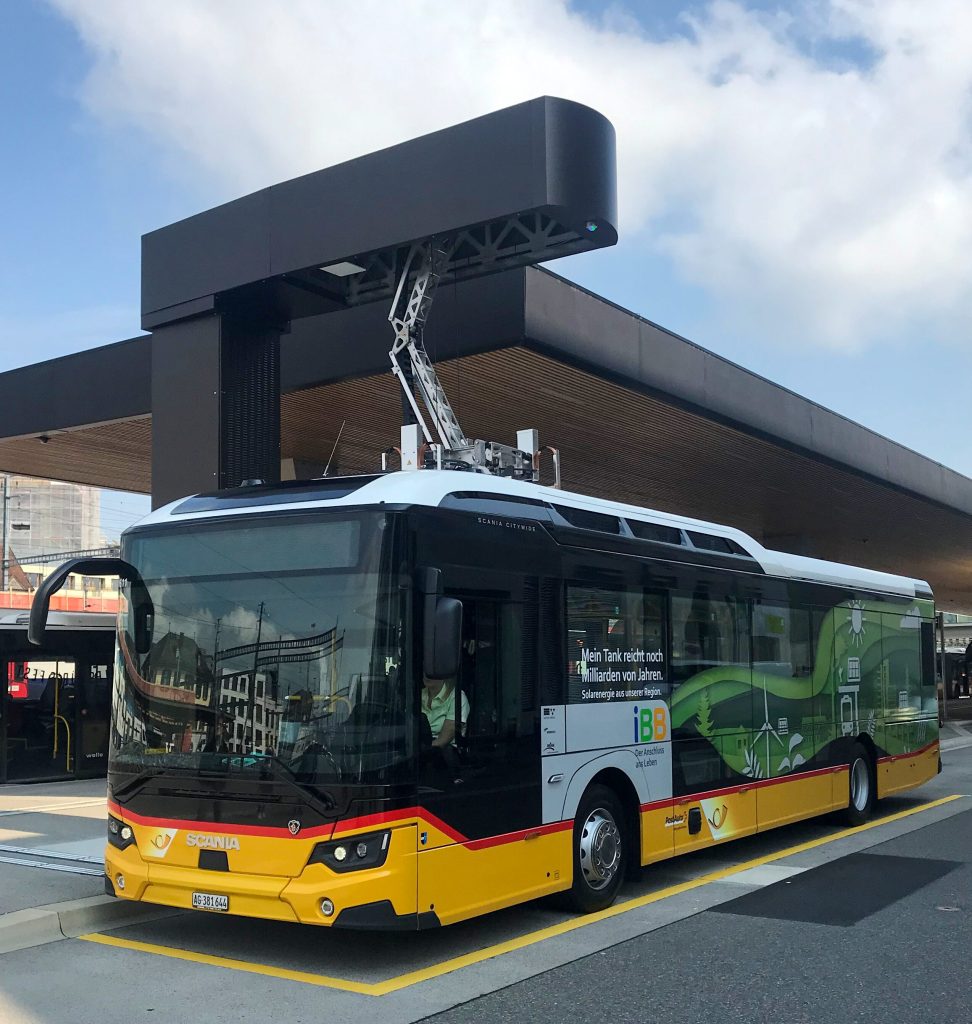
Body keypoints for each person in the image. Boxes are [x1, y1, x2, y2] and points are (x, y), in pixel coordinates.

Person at [421, 675, 469, 748]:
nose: (427, 675)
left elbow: (443, 740)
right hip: (417, 749)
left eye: (433, 671)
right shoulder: (417, 695)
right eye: (426, 670)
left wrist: (420, 750)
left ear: (443, 672)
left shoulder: (457, 697)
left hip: (445, 752)